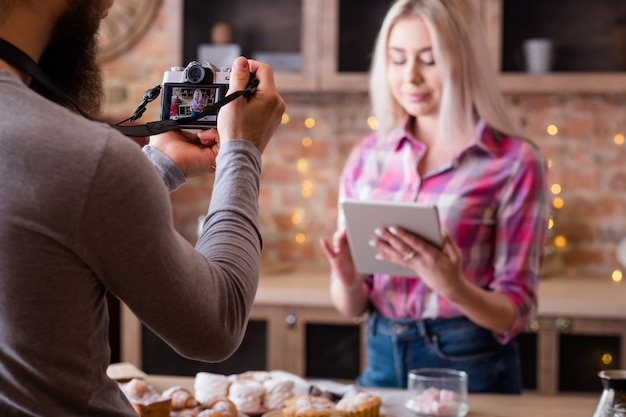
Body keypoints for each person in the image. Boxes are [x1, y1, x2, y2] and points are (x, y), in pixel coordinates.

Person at [0, 1, 285, 416]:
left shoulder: (82, 163)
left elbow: (47, 219)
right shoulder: (88, 157)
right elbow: (216, 324)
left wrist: (156, 167)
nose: (108, 5)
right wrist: (242, 152)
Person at [320, 0, 550, 393]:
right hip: (380, 355)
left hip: (469, 364)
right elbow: (352, 306)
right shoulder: (369, 156)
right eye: (397, 59)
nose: (410, 77)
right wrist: (347, 278)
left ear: (464, 61)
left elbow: (515, 312)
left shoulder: (514, 162)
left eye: (429, 60)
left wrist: (453, 285)